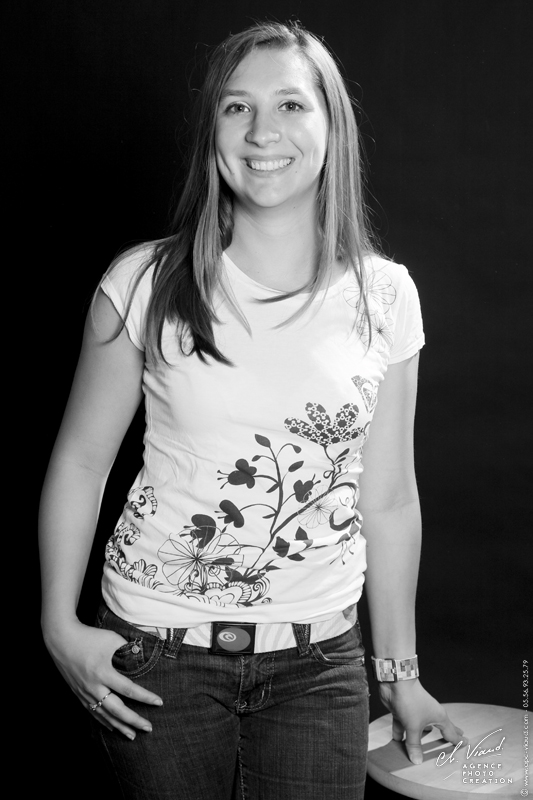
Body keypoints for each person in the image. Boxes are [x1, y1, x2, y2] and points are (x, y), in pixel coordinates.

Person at [39, 20, 464, 800]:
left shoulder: (384, 296)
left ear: (332, 128)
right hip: (155, 659)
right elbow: (81, 460)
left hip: (319, 666)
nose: (262, 131)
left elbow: (388, 498)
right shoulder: (144, 282)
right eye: (237, 107)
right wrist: (59, 625)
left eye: (290, 105)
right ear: (214, 131)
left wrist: (399, 675)